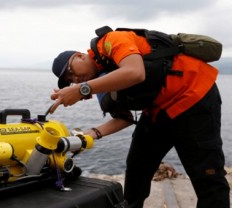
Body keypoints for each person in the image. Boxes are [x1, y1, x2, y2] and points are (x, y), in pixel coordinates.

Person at [49, 27, 230, 208]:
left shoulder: (111, 41)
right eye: (70, 79)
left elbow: (136, 72)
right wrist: (91, 133)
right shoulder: (103, 80)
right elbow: (124, 118)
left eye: (71, 71)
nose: (75, 78)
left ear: (80, 56)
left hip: (193, 97)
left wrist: (81, 89)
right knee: (137, 168)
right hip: (159, 110)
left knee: (208, 176)